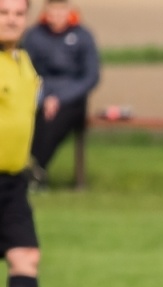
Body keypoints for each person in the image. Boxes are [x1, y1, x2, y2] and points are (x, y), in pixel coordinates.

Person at [0, 0, 79, 287]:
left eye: (18, 14)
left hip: (13, 182)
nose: (11, 20)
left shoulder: (22, 62)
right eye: (3, 13)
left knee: (26, 257)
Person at [21, 0, 99, 184]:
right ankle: (23, 169)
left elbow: (91, 76)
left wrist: (59, 98)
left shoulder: (83, 36)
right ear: (45, 13)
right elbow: (26, 71)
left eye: (60, 12)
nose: (56, 17)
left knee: (54, 120)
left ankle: (35, 169)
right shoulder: (34, 36)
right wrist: (43, 97)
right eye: (52, 12)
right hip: (39, 95)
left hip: (71, 100)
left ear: (69, 13)